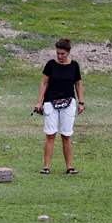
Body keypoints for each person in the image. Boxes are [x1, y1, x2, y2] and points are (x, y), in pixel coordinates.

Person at [34, 39, 84, 175]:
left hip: (69, 102)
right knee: (50, 135)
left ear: (68, 52)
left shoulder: (74, 66)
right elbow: (44, 83)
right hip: (50, 102)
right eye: (58, 53)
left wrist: (81, 102)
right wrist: (39, 102)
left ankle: (69, 167)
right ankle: (46, 166)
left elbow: (78, 84)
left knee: (66, 135)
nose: (60, 56)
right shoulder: (50, 64)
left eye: (62, 54)